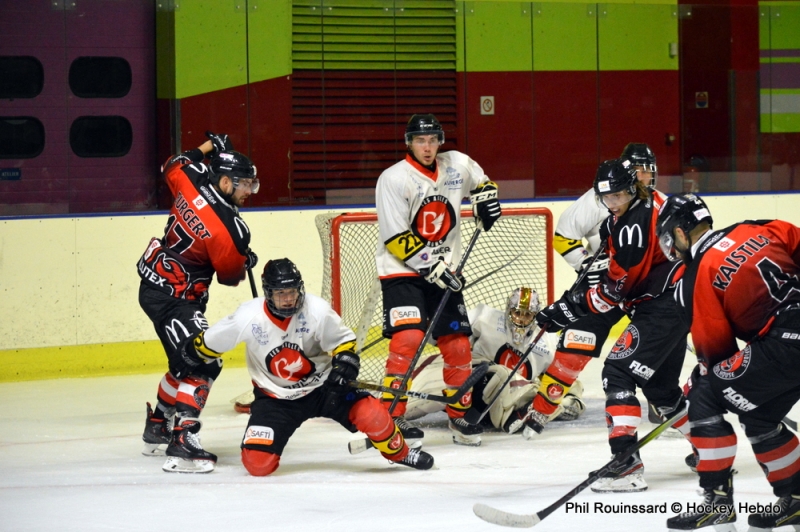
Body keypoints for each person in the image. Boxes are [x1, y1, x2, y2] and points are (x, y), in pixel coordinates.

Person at [192, 258, 435, 475]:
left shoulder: (316, 309)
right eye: (280, 293)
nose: (288, 299)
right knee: (258, 464)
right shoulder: (247, 317)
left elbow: (344, 343)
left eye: (292, 291)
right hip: (275, 399)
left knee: (373, 414)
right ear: (268, 293)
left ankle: (401, 453)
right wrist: (187, 356)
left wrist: (344, 367)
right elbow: (207, 344)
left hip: (325, 388)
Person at [536, 158, 691, 493]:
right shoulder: (641, 205)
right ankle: (712, 446)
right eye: (607, 197)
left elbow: (614, 292)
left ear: (632, 188)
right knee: (661, 390)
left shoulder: (633, 226)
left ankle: (626, 464)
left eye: (619, 195)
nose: (613, 202)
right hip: (676, 301)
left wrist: (568, 308)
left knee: (618, 373)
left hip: (661, 306)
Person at [658, 193, 800, 531]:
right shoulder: (755, 228)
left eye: (669, 239)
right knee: (759, 415)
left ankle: (717, 501)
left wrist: (705, 376)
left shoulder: (695, 276)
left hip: (786, 345)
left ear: (680, 232)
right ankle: (795, 499)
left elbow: (715, 352)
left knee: (705, 394)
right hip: (787, 342)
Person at [374, 113, 502, 446]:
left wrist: (486, 199)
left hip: (444, 272)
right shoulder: (393, 178)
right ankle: (391, 415)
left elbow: (483, 182)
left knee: (458, 345)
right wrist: (433, 266)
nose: (428, 147)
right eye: (420, 140)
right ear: (409, 143)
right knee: (408, 339)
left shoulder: (457, 164)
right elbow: (396, 237)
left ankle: (459, 416)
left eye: (433, 140)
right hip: (402, 271)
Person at [137, 131, 259, 473]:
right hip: (175, 298)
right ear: (225, 182)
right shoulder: (232, 229)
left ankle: (158, 424)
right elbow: (230, 277)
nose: (250, 191)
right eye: (245, 184)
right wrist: (242, 259)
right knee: (205, 361)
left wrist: (207, 148)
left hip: (153, 284)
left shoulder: (191, 177)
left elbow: (171, 164)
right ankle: (183, 437)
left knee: (184, 361)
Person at [520, 144, 660, 440]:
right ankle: (542, 408)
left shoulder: (659, 206)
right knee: (577, 340)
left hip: (645, 290)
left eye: (647, 170)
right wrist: (588, 264)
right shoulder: (605, 197)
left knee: (658, 345)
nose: (643, 176)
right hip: (607, 284)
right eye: (637, 170)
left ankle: (664, 400)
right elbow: (564, 236)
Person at [405, 287, 587, 433]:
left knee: (522, 384)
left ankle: (523, 413)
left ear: (535, 316)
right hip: (471, 386)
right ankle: (397, 409)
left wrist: (571, 400)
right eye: (517, 313)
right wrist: (430, 323)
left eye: (527, 315)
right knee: (443, 367)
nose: (521, 320)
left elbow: (563, 377)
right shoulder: (485, 318)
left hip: (504, 402)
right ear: (508, 310)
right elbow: (446, 337)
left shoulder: (548, 341)